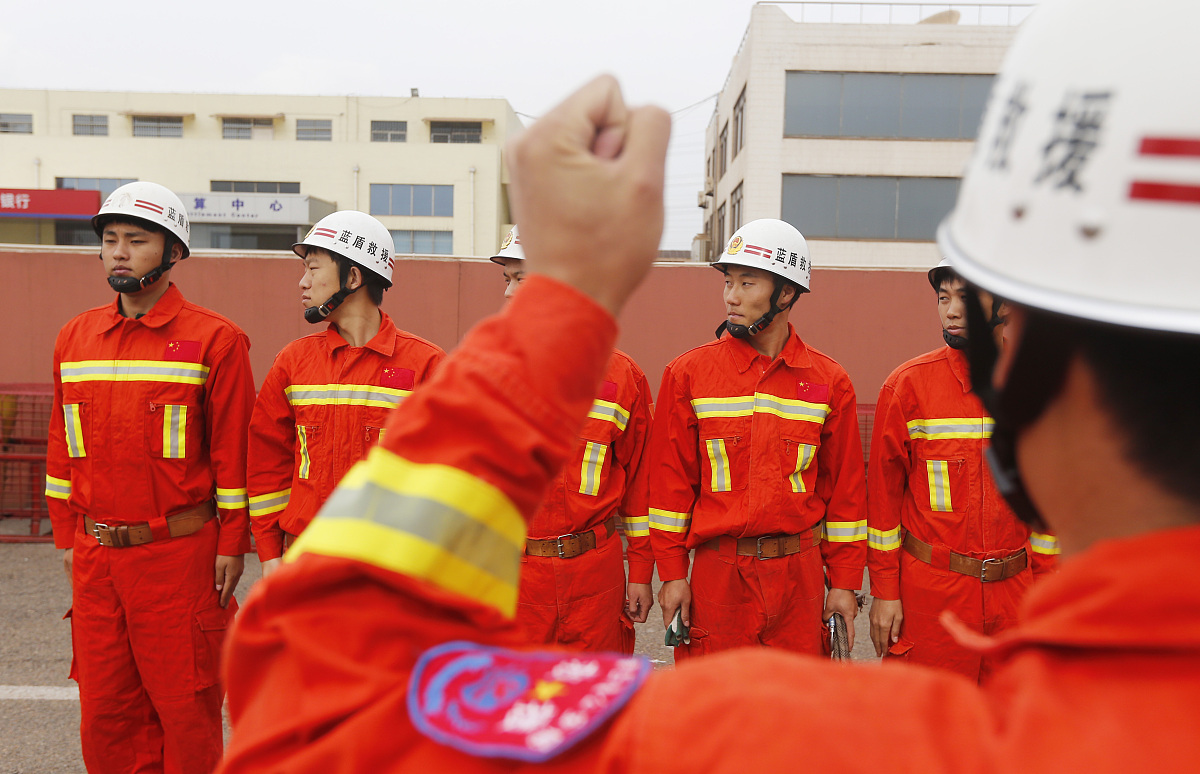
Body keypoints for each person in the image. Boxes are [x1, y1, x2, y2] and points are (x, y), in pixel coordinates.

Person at [221, 2, 1200, 765]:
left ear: (1010, 347)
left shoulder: (812, 740)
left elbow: (314, 714)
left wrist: (560, 308)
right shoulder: (700, 377)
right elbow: (675, 485)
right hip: (701, 577)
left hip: (769, 577)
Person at [45, 181, 254, 774]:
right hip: (96, 559)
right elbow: (64, 448)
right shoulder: (75, 337)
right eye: (109, 240)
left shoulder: (216, 339)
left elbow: (232, 455)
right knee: (106, 711)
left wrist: (232, 545)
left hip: (178, 558)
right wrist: (67, 536)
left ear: (173, 252)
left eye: (136, 240)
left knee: (185, 709)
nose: (118, 251)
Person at [648, 218, 867, 658]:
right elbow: (670, 486)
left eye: (747, 283)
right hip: (719, 576)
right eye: (728, 282)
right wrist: (673, 574)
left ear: (786, 293)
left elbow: (845, 494)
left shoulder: (829, 381)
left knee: (795, 712)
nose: (731, 295)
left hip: (799, 579)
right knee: (714, 711)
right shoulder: (688, 375)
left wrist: (843, 584)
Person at [867, 258, 1059, 680]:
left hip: (1016, 594)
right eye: (943, 298)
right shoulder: (907, 387)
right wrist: (884, 593)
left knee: (1008, 727)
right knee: (927, 728)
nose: (951, 310)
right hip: (932, 596)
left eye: (965, 298)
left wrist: (1047, 593)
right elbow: (882, 506)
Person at [247, 211, 444, 576]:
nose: (302, 282)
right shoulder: (293, 362)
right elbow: (267, 464)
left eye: (313, 268)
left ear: (353, 277)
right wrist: (270, 553)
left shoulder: (427, 366)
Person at [490, 225, 654, 651]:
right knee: (517, 706)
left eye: (521, 279)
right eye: (507, 280)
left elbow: (639, 487)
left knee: (597, 705)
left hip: (594, 578)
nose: (509, 294)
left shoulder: (623, 377)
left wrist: (639, 573)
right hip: (515, 576)